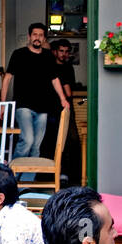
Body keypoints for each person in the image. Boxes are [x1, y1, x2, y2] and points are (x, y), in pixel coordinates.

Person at [1, 23, 68, 161]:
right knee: (27, 140)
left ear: (44, 39)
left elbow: (55, 79)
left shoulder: (48, 56)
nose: (37, 38)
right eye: (35, 34)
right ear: (29, 37)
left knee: (36, 146)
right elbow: (7, 79)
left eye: (41, 35)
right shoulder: (19, 54)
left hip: (43, 108)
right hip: (23, 106)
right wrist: (3, 104)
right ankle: (12, 175)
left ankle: (27, 182)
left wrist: (63, 98)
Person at [40, 39, 82, 185]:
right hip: (52, 108)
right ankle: (52, 174)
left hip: (64, 108)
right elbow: (68, 90)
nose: (64, 54)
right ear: (55, 51)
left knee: (67, 142)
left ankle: (62, 173)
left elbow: (68, 91)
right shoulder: (50, 64)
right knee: (51, 142)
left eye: (66, 51)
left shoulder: (67, 67)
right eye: (61, 51)